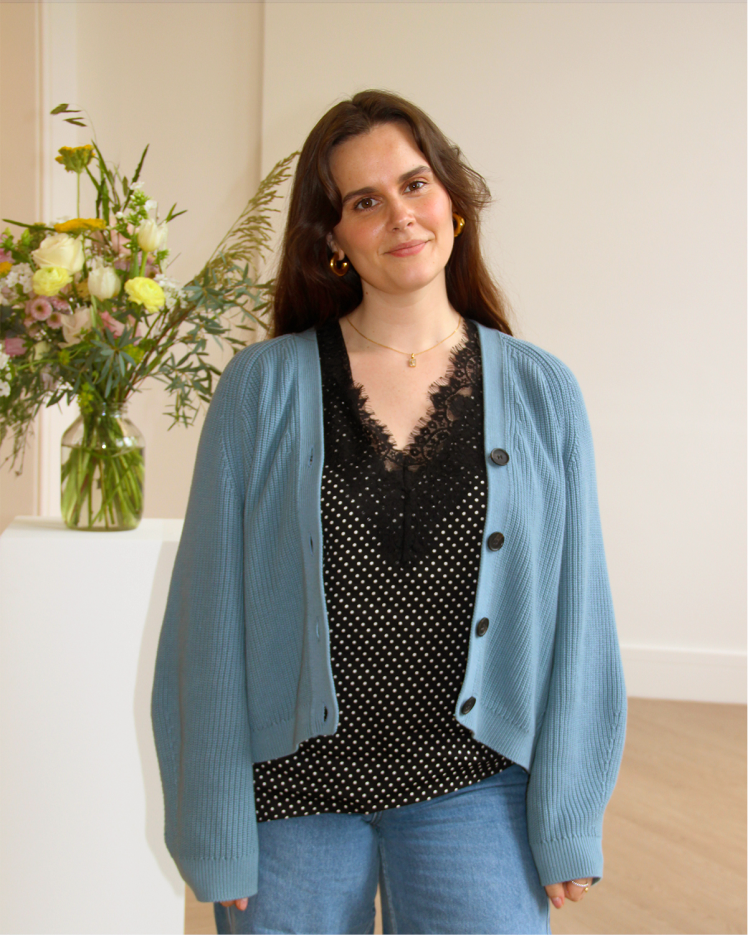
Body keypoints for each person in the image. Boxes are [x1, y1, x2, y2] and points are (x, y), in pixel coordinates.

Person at [151, 89, 627, 936]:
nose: (400, 216)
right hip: (291, 792)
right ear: (332, 238)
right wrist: (214, 823)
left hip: (475, 788)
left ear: (453, 199)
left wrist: (567, 815)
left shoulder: (541, 389)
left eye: (416, 185)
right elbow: (207, 625)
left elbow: (578, 618)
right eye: (364, 202)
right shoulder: (262, 387)